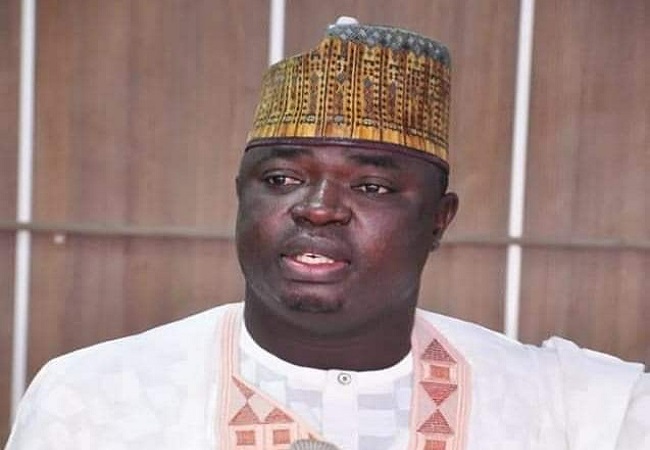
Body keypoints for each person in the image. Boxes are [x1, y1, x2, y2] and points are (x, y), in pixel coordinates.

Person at [5, 17, 649, 450]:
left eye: (371, 187)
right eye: (282, 179)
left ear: (439, 220)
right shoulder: (97, 397)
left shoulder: (570, 406)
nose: (317, 210)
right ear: (241, 197)